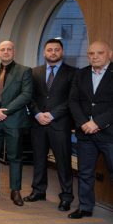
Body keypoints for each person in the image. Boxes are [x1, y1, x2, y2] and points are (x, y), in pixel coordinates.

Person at [0, 40, 33, 206]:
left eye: (9, 49)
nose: (6, 52)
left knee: (15, 156)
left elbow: (26, 95)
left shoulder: (24, 71)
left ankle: (15, 190)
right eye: (3, 49)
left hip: (14, 120)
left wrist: (6, 111)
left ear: (14, 52)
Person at [25, 38, 76, 211]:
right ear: (44, 52)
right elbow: (29, 96)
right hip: (38, 123)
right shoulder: (34, 72)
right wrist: (37, 113)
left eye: (56, 49)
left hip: (60, 124)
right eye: (49, 50)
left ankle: (66, 196)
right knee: (39, 159)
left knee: (63, 162)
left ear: (62, 52)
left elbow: (72, 99)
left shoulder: (72, 73)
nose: (53, 52)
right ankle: (38, 191)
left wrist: (53, 114)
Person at [68, 41, 113, 219]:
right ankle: (85, 207)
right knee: (85, 172)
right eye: (91, 53)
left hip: (110, 134)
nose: (95, 56)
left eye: (100, 53)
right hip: (85, 133)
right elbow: (73, 101)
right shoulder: (81, 74)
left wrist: (98, 123)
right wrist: (83, 123)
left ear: (109, 54)